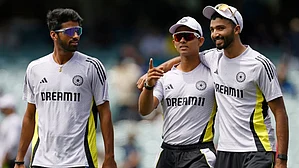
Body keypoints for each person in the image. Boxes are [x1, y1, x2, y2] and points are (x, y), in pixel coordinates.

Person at [137, 3, 289, 168]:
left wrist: (281, 159)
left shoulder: (259, 64)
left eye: (221, 28)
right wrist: (154, 73)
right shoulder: (213, 58)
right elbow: (184, 57)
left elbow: (280, 112)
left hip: (257, 149)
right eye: (212, 29)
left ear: (237, 29)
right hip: (225, 150)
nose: (216, 34)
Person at [14, 8, 117, 168]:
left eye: (78, 30)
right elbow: (29, 116)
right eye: (70, 31)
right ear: (53, 34)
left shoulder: (92, 67)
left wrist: (109, 157)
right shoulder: (35, 68)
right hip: (41, 161)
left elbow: (105, 113)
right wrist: (20, 159)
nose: (76, 36)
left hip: (80, 161)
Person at [138, 16, 217, 168]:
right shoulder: (165, 77)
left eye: (187, 36)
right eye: (178, 37)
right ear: (174, 42)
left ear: (200, 41)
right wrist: (148, 86)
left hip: (199, 152)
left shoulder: (213, 73)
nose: (182, 40)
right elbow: (144, 110)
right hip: (168, 152)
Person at [0, 94, 22, 168]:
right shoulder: (10, 120)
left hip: (10, 160)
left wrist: (5, 158)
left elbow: (12, 141)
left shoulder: (13, 121)